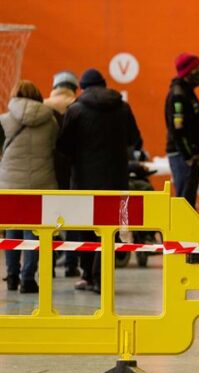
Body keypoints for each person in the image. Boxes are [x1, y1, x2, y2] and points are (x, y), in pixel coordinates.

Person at [58, 68, 139, 293]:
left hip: (84, 181)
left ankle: (89, 277)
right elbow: (135, 139)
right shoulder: (123, 107)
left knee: (86, 229)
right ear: (104, 84)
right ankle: (101, 277)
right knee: (110, 229)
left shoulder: (75, 110)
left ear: (82, 88)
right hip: (116, 180)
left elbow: (62, 147)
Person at [0, 80, 59, 293]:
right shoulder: (50, 121)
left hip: (9, 185)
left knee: (12, 230)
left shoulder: (4, 121)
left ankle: (12, 276)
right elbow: (54, 148)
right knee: (34, 232)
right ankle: (28, 279)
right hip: (40, 183)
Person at [44, 70, 78, 276]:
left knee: (48, 220)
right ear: (74, 87)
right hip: (72, 171)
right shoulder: (77, 105)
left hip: (47, 170)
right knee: (73, 219)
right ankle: (71, 265)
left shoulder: (43, 105)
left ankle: (49, 266)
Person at [165, 53, 199, 208]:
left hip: (190, 155)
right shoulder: (178, 95)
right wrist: (189, 156)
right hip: (182, 156)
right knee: (184, 203)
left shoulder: (188, 93)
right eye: (197, 69)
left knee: (189, 201)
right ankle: (180, 232)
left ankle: (186, 232)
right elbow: (178, 130)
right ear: (187, 72)